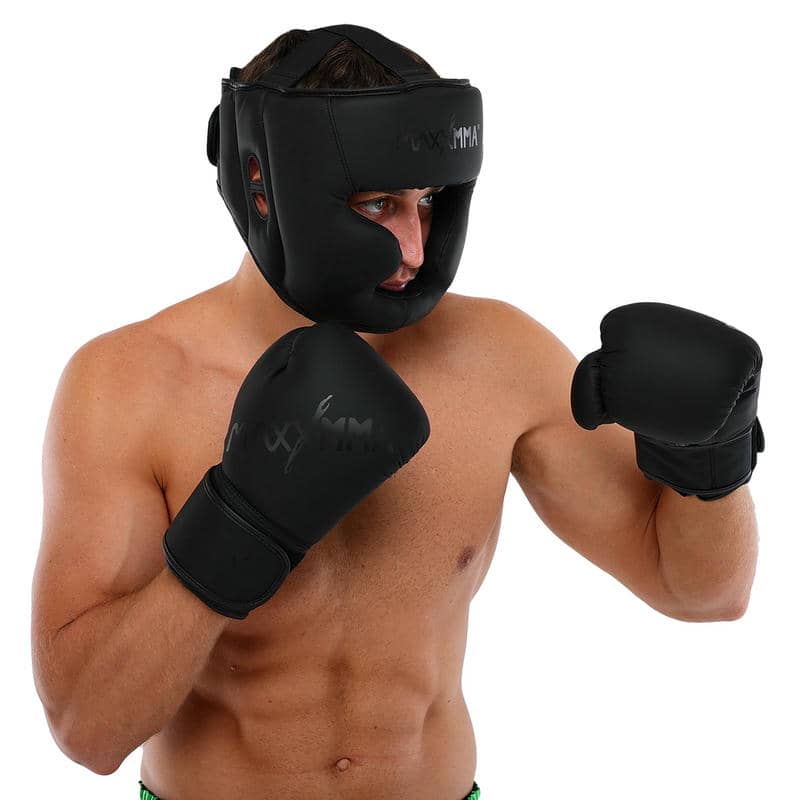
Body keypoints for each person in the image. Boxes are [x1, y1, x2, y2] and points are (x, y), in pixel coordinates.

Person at [31, 26, 763, 800]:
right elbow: (87, 730)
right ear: (261, 183)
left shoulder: (500, 358)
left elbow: (702, 591)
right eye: (379, 204)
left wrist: (713, 458)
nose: (414, 249)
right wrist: (238, 526)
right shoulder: (128, 385)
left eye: (429, 202)